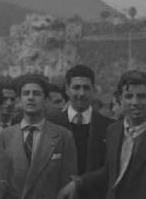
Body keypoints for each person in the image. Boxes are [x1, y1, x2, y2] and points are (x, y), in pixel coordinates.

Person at [57, 70, 146, 199]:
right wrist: (79, 183)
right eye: (129, 96)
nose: (135, 102)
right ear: (120, 99)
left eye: (141, 96)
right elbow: (110, 171)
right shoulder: (113, 130)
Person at [0, 74, 76, 199]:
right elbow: (2, 181)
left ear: (46, 100)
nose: (31, 97)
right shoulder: (6, 135)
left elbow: (68, 184)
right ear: (19, 100)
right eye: (26, 93)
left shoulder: (63, 136)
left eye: (36, 94)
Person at [48, 65, 113, 199]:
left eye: (86, 88)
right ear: (67, 89)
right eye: (76, 87)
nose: (81, 93)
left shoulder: (109, 127)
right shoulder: (51, 124)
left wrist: (81, 183)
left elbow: (110, 167)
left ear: (93, 90)